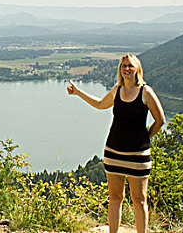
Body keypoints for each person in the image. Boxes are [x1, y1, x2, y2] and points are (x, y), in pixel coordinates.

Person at [67, 53, 165, 233]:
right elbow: (99, 104)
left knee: (139, 200)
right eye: (123, 66)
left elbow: (160, 120)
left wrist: (145, 138)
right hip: (113, 153)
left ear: (137, 69)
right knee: (114, 198)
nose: (127, 69)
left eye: (130, 66)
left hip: (138, 156)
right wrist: (78, 92)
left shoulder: (146, 92)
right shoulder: (117, 90)